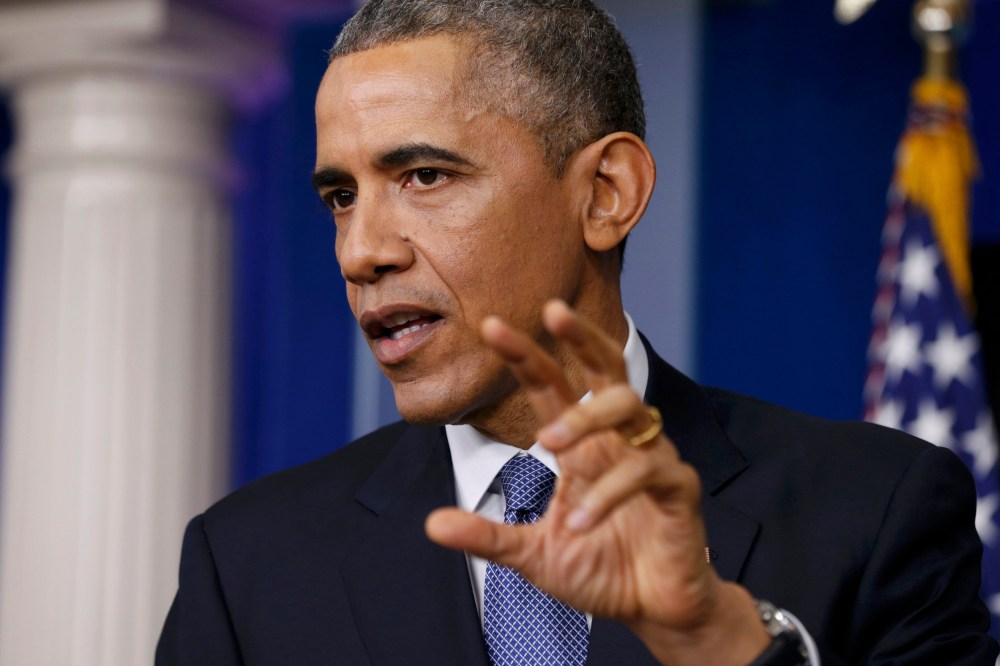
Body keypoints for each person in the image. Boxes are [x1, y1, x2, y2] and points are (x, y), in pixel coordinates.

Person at [156, 1, 997, 664]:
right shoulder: (247, 564)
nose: (360, 251)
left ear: (606, 193)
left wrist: (724, 644)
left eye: (424, 175)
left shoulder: (876, 508)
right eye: (341, 197)